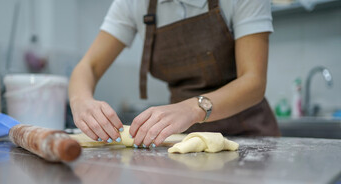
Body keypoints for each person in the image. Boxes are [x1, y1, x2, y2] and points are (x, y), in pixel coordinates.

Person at [69, 0, 280, 148]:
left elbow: (253, 81)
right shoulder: (132, 3)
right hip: (181, 141)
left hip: (248, 136)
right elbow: (89, 66)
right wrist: (81, 101)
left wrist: (192, 108)